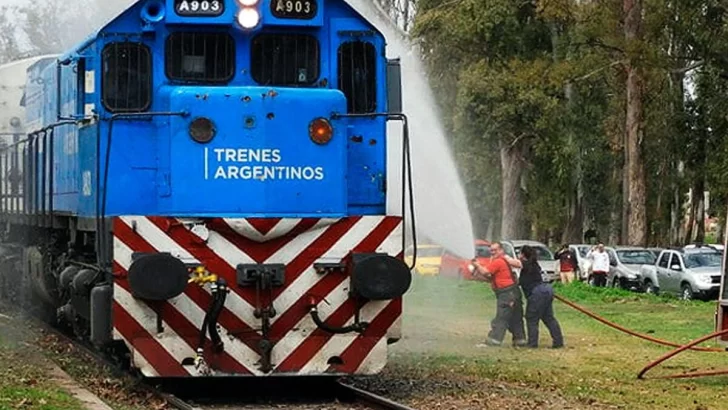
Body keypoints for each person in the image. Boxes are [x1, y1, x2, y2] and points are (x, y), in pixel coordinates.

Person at [471, 242, 527, 348]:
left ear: (501, 250)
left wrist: (476, 264)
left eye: (495, 250)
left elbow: (486, 272)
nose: (493, 252)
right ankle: (520, 340)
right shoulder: (502, 261)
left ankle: (494, 340)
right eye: (491, 250)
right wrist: (477, 272)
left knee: (502, 317)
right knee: (516, 318)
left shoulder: (498, 261)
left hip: (507, 294)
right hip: (513, 292)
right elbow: (491, 277)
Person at [511, 245, 564, 348]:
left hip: (537, 293)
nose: (518, 255)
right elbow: (525, 281)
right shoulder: (533, 264)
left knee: (531, 318)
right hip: (546, 290)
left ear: (523, 255)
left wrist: (502, 257)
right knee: (548, 318)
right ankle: (558, 342)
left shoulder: (527, 264)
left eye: (520, 253)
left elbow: (515, 263)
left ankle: (532, 343)